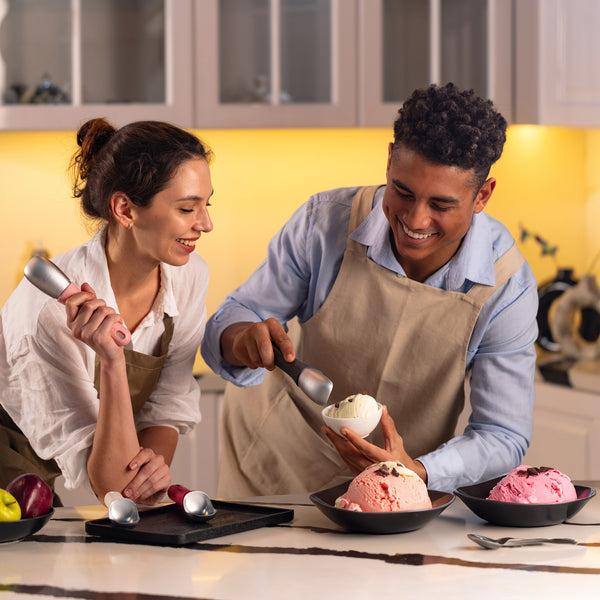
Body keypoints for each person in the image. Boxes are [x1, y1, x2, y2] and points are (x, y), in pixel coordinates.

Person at [201, 82, 538, 498]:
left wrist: (418, 470)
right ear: (390, 160)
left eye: (441, 205)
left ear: (482, 195)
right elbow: (235, 317)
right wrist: (242, 338)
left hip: (397, 486)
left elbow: (502, 434)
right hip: (277, 461)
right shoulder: (323, 224)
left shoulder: (507, 286)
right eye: (404, 191)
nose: (416, 219)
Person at [0, 119, 214, 505]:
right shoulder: (46, 314)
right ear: (124, 209)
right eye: (187, 208)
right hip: (10, 472)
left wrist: (150, 469)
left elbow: (167, 402)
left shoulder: (188, 275)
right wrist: (112, 364)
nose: (206, 224)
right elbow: (111, 485)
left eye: (206, 204)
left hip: (81, 473)